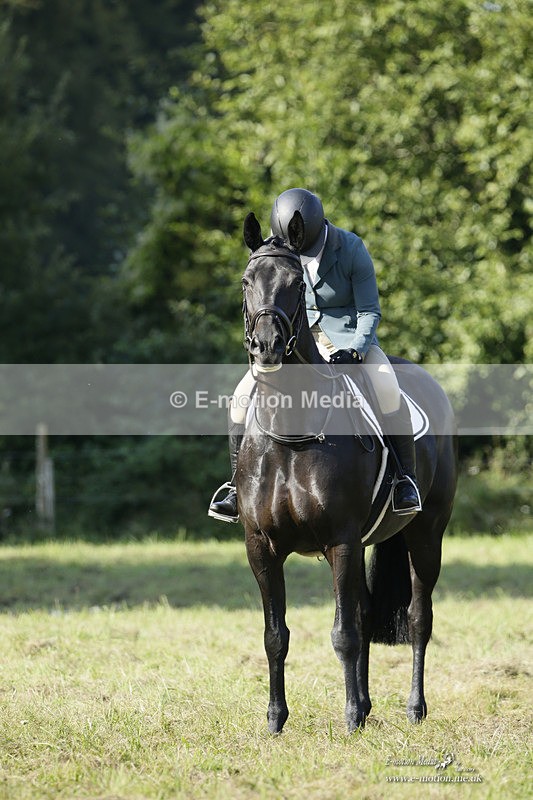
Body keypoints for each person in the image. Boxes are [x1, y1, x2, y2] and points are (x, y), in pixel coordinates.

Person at [208, 188, 422, 522]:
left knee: (386, 387)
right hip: (297, 341)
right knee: (239, 400)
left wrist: (355, 349)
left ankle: (404, 480)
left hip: (351, 339)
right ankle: (236, 488)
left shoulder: (350, 249)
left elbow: (369, 310)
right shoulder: (275, 253)